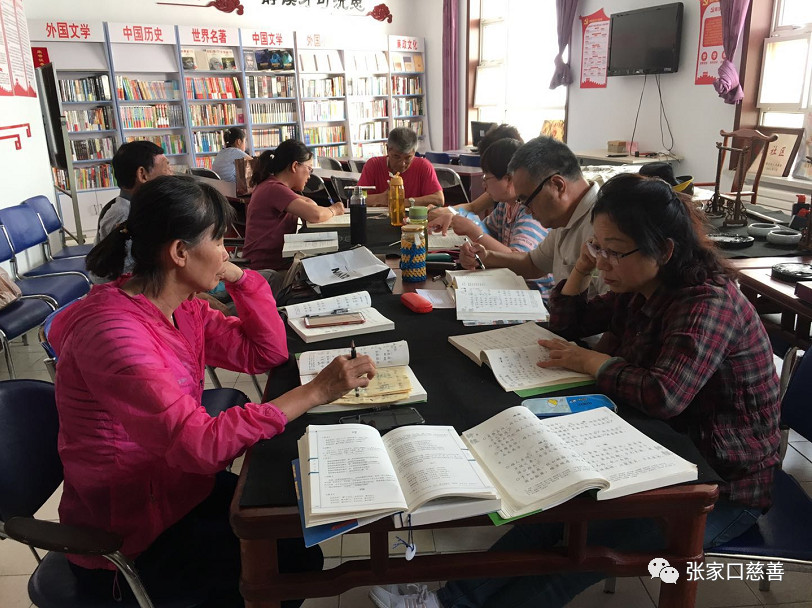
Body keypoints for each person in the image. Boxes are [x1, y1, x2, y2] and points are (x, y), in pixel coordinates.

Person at [370, 173, 781, 608]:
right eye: (597, 247)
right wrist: (583, 267)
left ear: (664, 250)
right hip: (654, 449)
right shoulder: (643, 286)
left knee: (583, 551)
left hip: (722, 483)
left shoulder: (708, 302)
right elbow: (567, 324)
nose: (604, 263)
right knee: (554, 511)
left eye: (614, 251)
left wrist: (592, 362)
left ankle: (451, 603)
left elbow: (665, 395)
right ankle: (448, 599)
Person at [51, 175, 375, 608]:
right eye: (219, 241)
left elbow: (266, 352)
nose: (227, 252)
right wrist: (314, 392)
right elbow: (199, 446)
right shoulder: (115, 335)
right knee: (286, 565)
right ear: (179, 252)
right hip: (131, 534)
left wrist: (239, 277)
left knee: (294, 542)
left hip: (180, 489)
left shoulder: (181, 307)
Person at [459, 136, 605, 295]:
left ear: (557, 185)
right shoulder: (564, 217)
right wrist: (485, 257)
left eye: (527, 200)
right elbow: (532, 264)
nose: (527, 210)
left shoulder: (603, 226)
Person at [428, 138, 553, 295]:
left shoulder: (530, 212)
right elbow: (486, 232)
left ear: (509, 179)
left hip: (533, 293)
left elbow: (521, 262)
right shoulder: (505, 206)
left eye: (486, 178)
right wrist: (471, 252)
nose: (484, 185)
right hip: (509, 283)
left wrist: (475, 232)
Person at [242, 139, 345, 271]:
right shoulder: (275, 189)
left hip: (271, 265)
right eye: (309, 169)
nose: (309, 176)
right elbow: (316, 214)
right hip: (267, 270)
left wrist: (311, 208)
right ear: (295, 166)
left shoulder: (272, 185)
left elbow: (309, 203)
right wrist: (334, 209)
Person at [427, 124, 523, 225]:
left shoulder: (524, 210)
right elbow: (473, 208)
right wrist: (444, 212)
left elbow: (474, 209)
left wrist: (449, 214)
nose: (484, 184)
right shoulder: (503, 204)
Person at [95, 140, 173, 247]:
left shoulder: (138, 208)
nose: (171, 174)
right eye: (166, 168)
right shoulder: (124, 216)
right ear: (142, 175)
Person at [358, 126, 444, 207]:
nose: (402, 163)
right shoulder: (373, 165)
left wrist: (401, 202)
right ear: (387, 149)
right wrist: (381, 198)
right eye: (396, 156)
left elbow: (439, 199)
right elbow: (357, 199)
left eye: (408, 158)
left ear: (414, 152)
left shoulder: (424, 166)